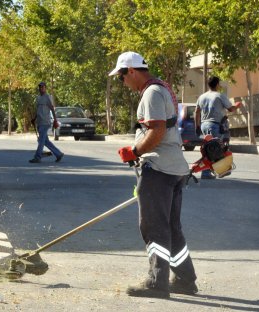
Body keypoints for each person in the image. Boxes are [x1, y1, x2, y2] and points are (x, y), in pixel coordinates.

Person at [109, 51, 197, 299]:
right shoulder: (161, 88)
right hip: (174, 169)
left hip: (158, 170)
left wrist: (134, 150)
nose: (122, 82)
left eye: (121, 77)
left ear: (132, 71)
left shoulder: (151, 93)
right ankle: (185, 279)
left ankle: (157, 283)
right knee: (171, 226)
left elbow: (157, 131)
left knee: (154, 227)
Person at [194, 76, 241, 179]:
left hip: (204, 125)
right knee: (214, 150)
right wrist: (237, 105)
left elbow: (197, 112)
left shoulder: (202, 97)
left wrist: (197, 125)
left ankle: (207, 172)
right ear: (217, 84)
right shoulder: (219, 96)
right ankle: (216, 171)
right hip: (214, 125)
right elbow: (230, 109)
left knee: (207, 149)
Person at [29, 82, 64, 163]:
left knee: (41, 141)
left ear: (45, 88)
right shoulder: (38, 98)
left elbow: (52, 109)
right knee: (45, 141)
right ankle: (58, 154)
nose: (41, 89)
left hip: (45, 122)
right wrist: (34, 119)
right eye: (40, 87)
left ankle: (37, 157)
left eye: (42, 87)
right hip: (39, 122)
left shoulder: (48, 97)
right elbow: (38, 110)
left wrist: (55, 120)